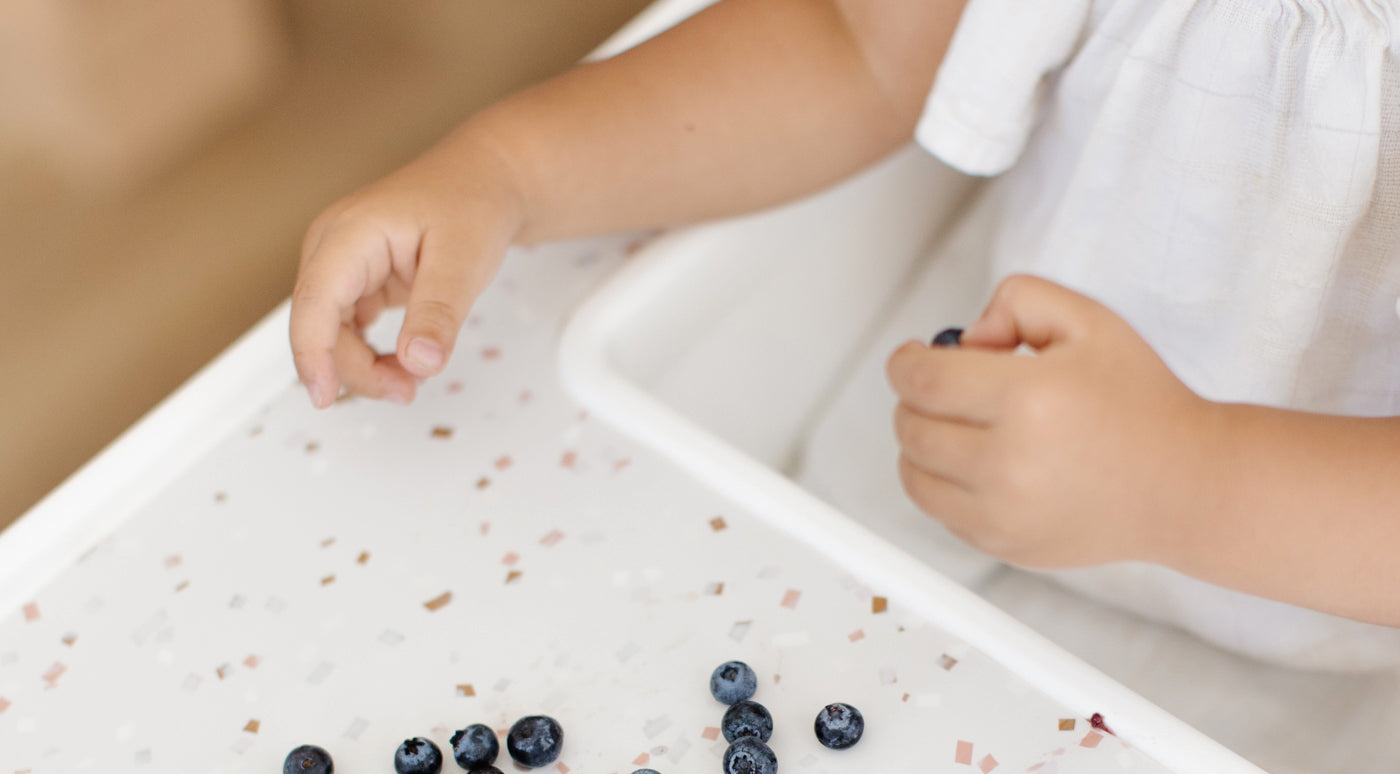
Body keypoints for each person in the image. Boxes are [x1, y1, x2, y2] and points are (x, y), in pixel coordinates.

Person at [290, 0, 1400, 655]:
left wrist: (1184, 482)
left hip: (1320, 680)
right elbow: (852, 45)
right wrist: (506, 174)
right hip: (953, 516)